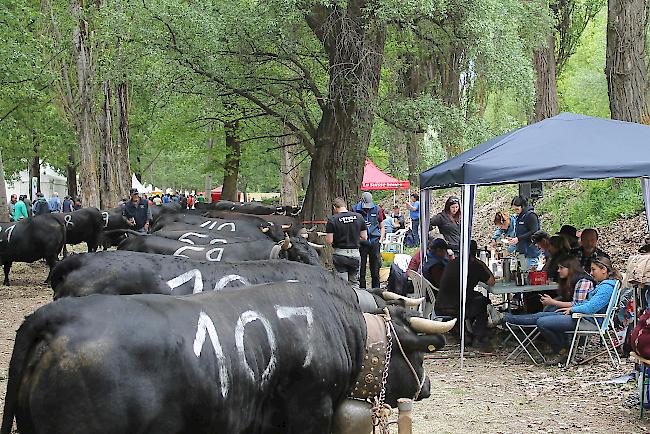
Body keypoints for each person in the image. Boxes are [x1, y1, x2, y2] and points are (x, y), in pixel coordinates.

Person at [537, 256, 620, 365]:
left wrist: (572, 309)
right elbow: (587, 303)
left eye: (594, 269)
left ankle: (563, 351)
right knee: (543, 316)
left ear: (604, 270)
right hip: (584, 318)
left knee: (542, 322)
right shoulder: (604, 285)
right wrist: (573, 308)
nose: (591, 273)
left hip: (588, 321)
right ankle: (512, 319)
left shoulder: (606, 287)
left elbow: (591, 307)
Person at [435, 240, 496, 351]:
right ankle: (478, 336)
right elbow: (491, 282)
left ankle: (464, 330)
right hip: (457, 309)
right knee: (484, 301)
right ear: (475, 253)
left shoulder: (451, 263)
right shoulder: (475, 265)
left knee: (476, 297)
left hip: (440, 306)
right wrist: (483, 264)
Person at [325, 197, 368, 289]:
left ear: (334, 207)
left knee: (342, 285)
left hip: (340, 255)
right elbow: (364, 237)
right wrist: (355, 239)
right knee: (354, 283)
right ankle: (356, 301)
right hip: (355, 254)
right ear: (345, 206)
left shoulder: (332, 219)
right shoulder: (359, 217)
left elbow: (329, 241)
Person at [353, 192, 385, 289]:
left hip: (375, 241)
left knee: (375, 270)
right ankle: (362, 290)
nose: (367, 209)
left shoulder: (377, 209)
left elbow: (382, 226)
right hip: (361, 243)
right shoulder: (355, 209)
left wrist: (381, 239)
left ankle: (376, 290)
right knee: (361, 269)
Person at [507, 196, 540, 268]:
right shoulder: (519, 217)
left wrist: (518, 238)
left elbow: (534, 231)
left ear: (522, 206)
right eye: (514, 210)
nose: (516, 211)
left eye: (517, 209)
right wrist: (514, 239)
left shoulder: (531, 215)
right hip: (521, 253)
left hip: (530, 253)